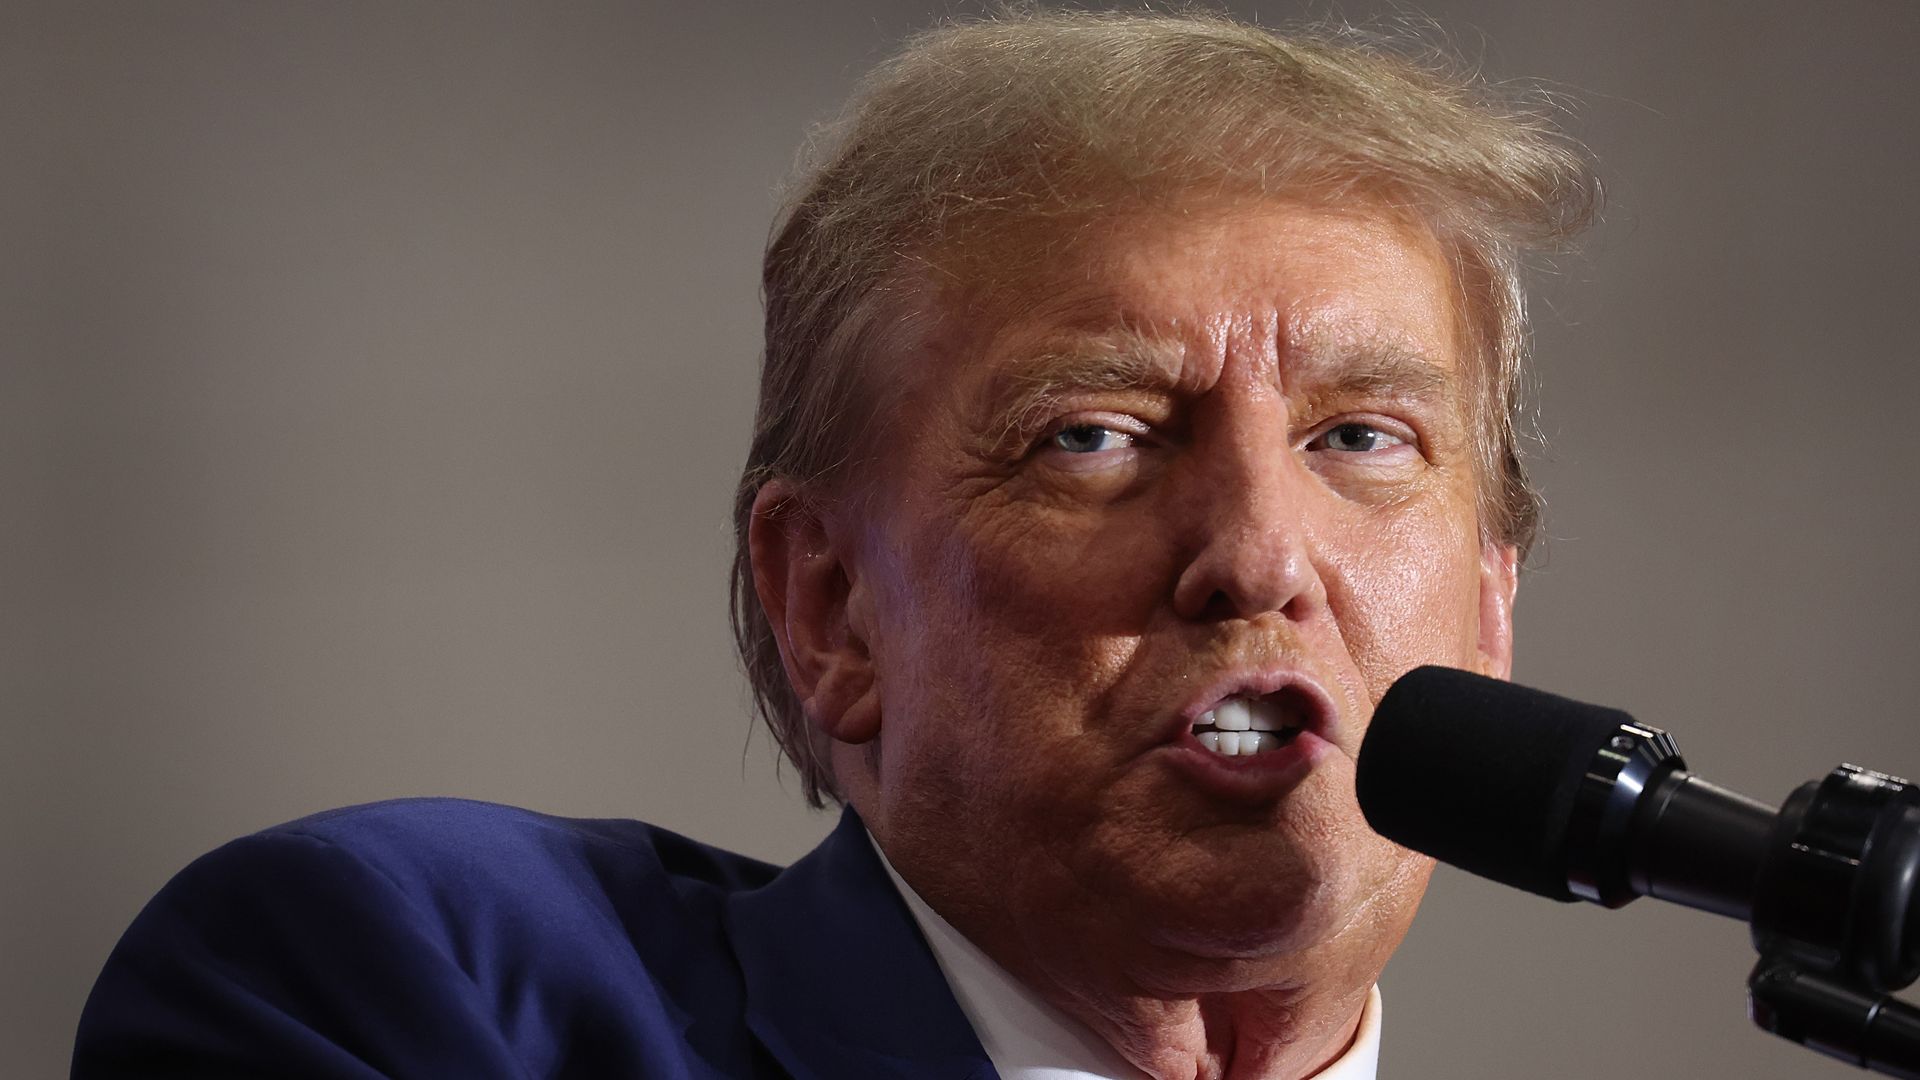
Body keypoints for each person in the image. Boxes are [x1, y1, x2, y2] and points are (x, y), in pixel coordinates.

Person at [73, 10, 1596, 1079]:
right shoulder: (416, 990)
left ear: (1486, 610)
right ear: (831, 611)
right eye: (1096, 436)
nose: (1260, 556)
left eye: (1361, 439)